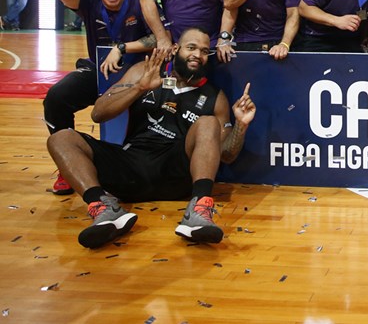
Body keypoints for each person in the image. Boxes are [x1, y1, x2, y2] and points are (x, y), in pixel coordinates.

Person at [46, 31, 256, 248]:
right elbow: (98, 114)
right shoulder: (144, 71)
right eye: (191, 47)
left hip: (175, 173)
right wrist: (139, 88)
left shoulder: (215, 97)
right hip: (130, 167)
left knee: (208, 122)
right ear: (176, 49)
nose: (198, 55)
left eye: (204, 51)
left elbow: (227, 155)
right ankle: (104, 209)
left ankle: (199, 210)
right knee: (60, 138)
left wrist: (240, 125)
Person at [43, 0, 154, 194]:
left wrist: (122, 48)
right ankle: (68, 163)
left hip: (138, 75)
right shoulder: (88, 0)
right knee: (56, 98)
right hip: (98, 71)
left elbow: (159, 38)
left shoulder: (140, 0)